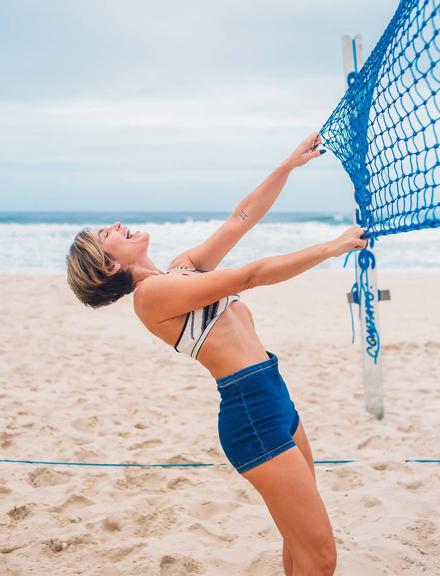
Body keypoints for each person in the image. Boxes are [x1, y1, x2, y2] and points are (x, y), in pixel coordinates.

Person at [66, 132, 366, 576]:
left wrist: (287, 165)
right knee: (321, 557)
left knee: (302, 545)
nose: (115, 223)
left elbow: (240, 218)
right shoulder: (151, 297)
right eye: (106, 234)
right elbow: (249, 275)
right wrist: (331, 247)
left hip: (274, 393)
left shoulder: (180, 270)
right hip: (251, 414)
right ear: (110, 265)